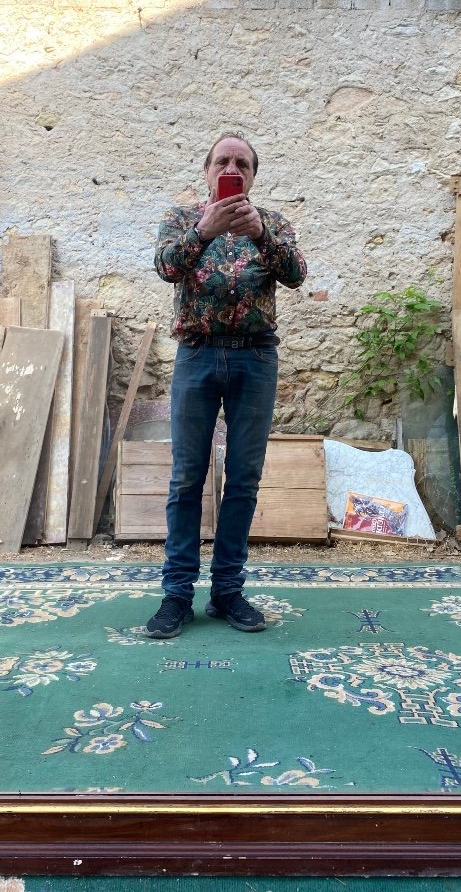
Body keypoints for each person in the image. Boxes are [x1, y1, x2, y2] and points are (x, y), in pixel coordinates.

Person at [145, 132, 307, 639]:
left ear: (253, 176)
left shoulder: (273, 224)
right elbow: (166, 267)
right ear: (208, 171)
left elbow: (297, 274)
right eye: (222, 161)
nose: (230, 168)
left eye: (241, 163)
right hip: (196, 355)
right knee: (187, 477)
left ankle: (228, 591)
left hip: (256, 358)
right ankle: (176, 595)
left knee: (243, 479)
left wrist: (262, 236)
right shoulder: (181, 218)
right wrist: (204, 231)